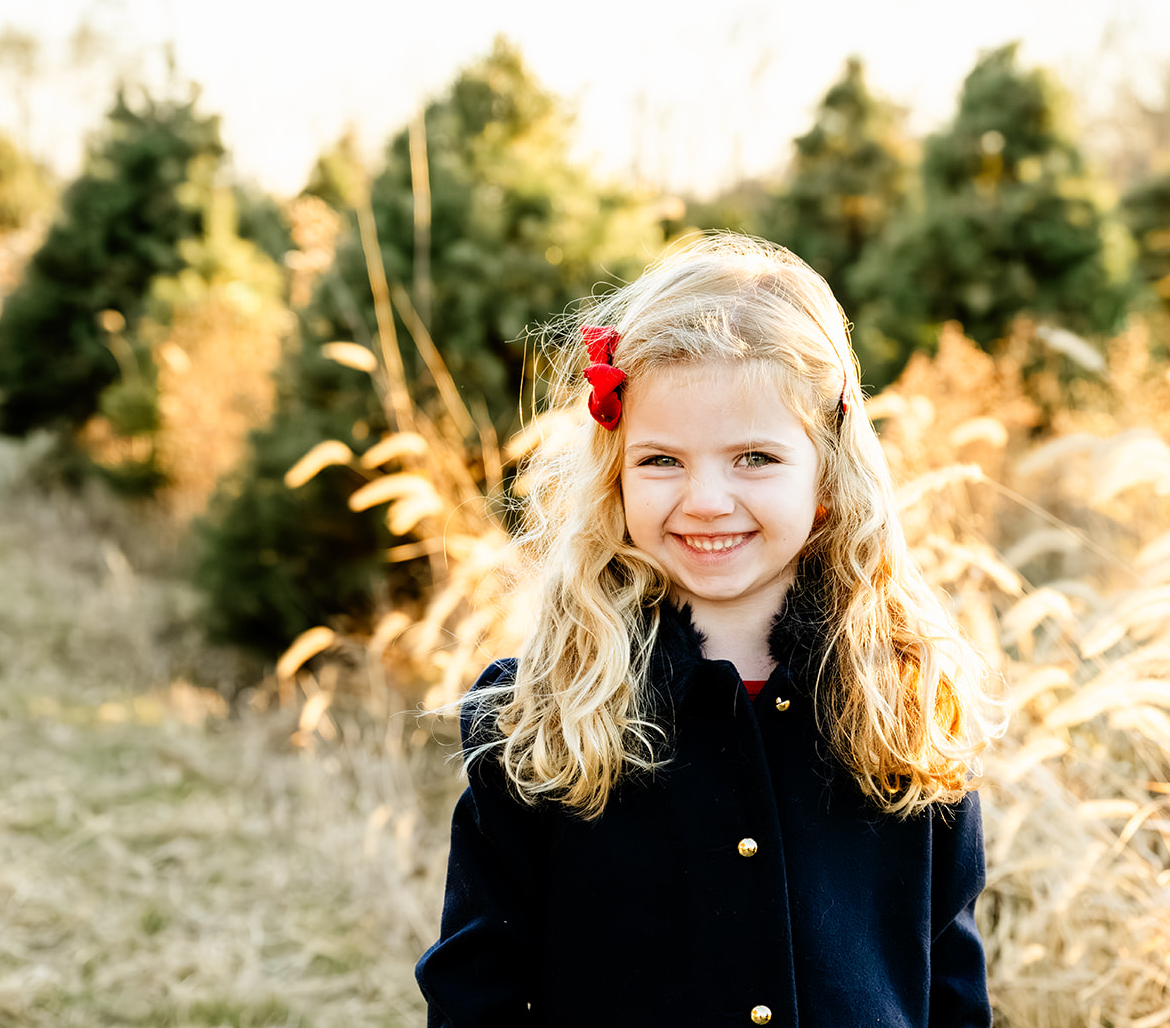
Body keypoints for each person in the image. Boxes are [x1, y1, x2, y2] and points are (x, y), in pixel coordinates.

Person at [416, 234, 1005, 1027]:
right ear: (615, 476)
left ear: (827, 476)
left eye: (754, 457)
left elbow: (951, 991)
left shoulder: (904, 703)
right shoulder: (541, 719)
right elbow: (475, 994)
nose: (704, 499)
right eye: (662, 460)